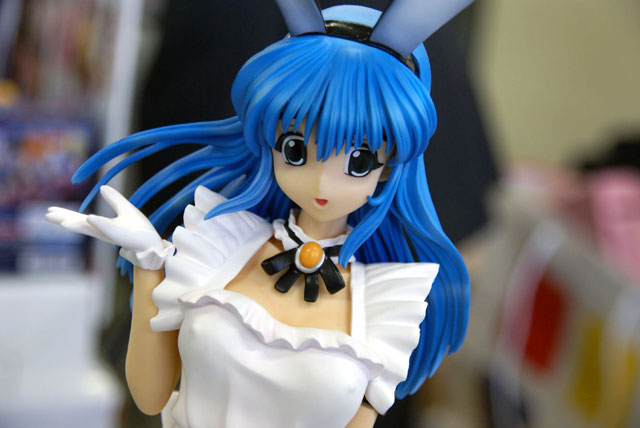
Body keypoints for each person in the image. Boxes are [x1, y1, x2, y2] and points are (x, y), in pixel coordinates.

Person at [46, 3, 471, 427]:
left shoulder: (383, 301)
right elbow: (150, 394)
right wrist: (147, 265)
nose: (322, 183)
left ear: (389, 165)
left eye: (358, 161)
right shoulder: (220, 242)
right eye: (296, 150)